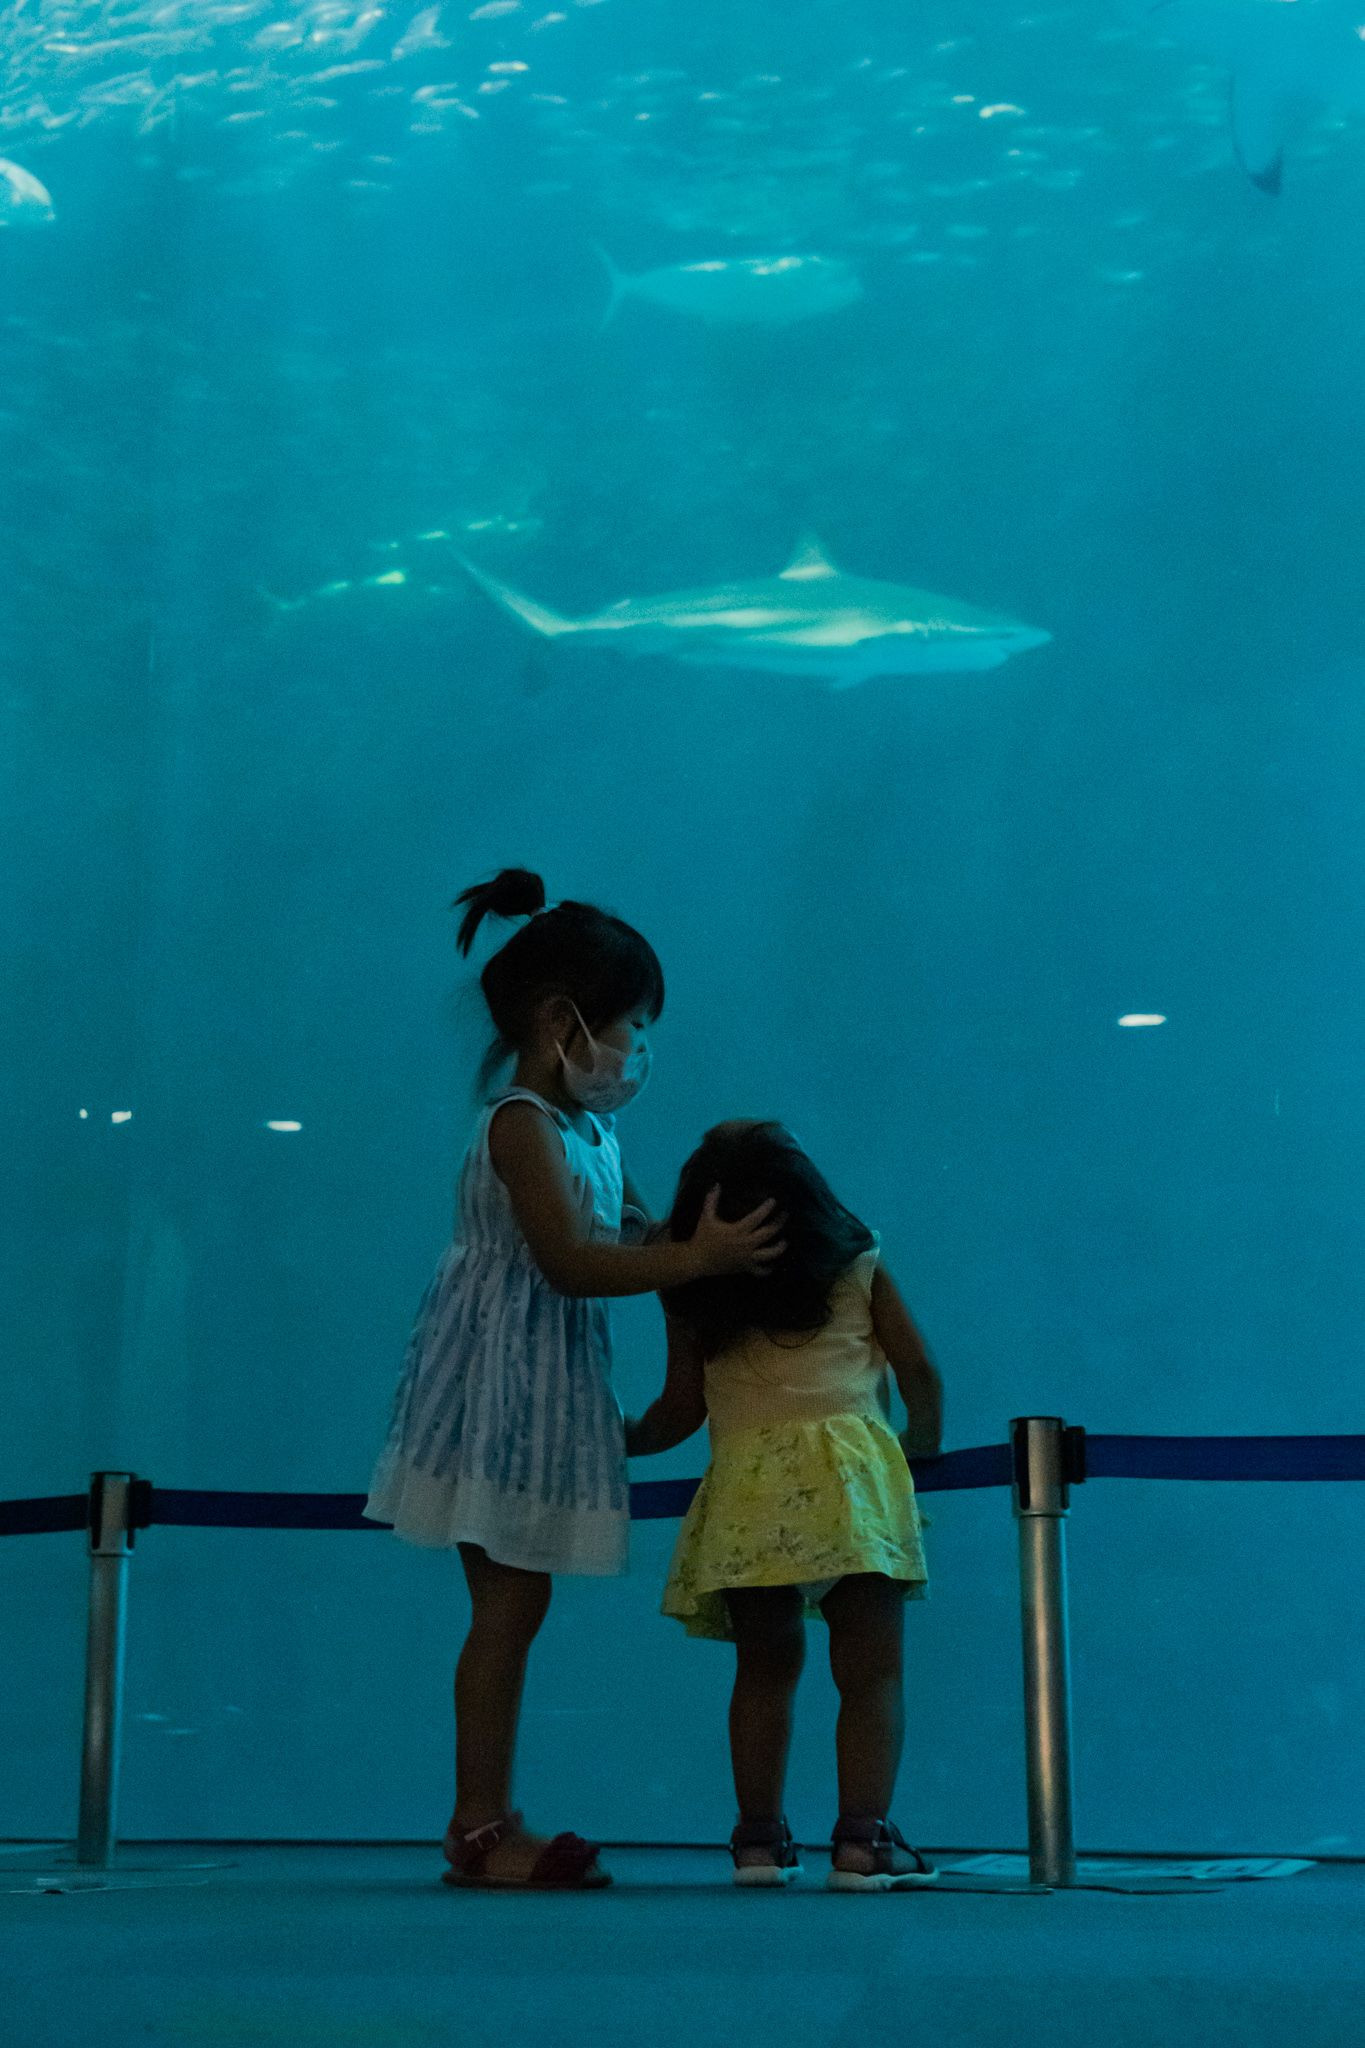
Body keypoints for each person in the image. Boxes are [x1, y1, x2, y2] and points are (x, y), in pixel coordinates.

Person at [365, 871, 785, 1892]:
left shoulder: (590, 1131)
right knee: (507, 1606)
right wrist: (697, 1259)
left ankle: (486, 1816)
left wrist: (700, 1244)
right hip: (496, 1390)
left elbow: (634, 1234)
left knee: (518, 1604)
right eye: (632, 1024)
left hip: (542, 1383)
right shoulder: (519, 1123)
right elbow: (569, 1261)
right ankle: (478, 1826)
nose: (637, 1049)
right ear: (564, 1022)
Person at [626, 1120, 943, 1892]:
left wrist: (617, 1439)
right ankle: (863, 1842)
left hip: (746, 1489)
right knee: (870, 1674)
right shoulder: (856, 1259)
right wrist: (915, 1452)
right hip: (851, 1485)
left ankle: (759, 1841)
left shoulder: (691, 1289)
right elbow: (918, 1371)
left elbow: (678, 1410)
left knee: (763, 1672)